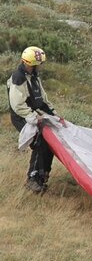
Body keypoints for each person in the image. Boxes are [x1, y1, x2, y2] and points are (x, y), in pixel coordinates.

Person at [8, 46, 62, 193]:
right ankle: (32, 179)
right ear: (28, 63)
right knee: (40, 141)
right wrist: (33, 117)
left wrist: (55, 116)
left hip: (36, 114)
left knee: (50, 140)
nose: (39, 67)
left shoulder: (34, 77)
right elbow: (17, 105)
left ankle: (42, 176)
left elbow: (43, 100)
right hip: (22, 117)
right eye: (36, 65)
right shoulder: (18, 78)